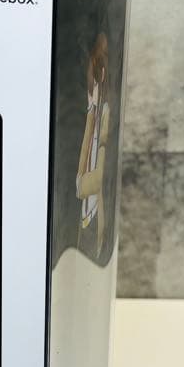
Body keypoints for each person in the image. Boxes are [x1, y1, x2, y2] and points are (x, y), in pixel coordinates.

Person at [76, 32, 111, 259]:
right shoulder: (94, 114)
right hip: (85, 217)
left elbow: (95, 180)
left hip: (96, 214)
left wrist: (80, 184)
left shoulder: (106, 114)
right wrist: (91, 110)